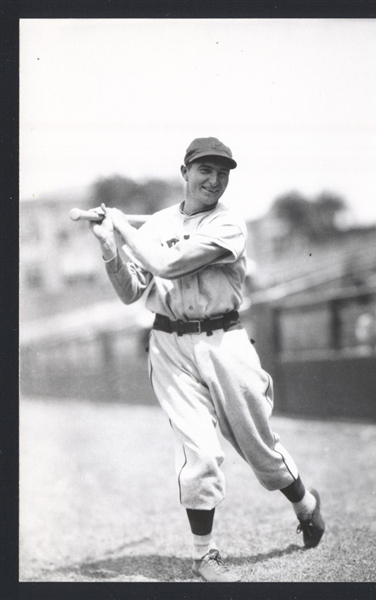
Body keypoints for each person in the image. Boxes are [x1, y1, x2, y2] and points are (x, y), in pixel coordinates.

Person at [89, 137, 325, 582]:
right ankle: (206, 554)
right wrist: (109, 247)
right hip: (170, 347)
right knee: (200, 452)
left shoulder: (229, 224)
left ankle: (304, 502)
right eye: (205, 170)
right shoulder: (156, 224)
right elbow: (130, 293)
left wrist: (125, 229)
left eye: (223, 173)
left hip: (225, 341)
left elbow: (167, 264)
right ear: (185, 171)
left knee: (261, 449)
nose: (214, 180)